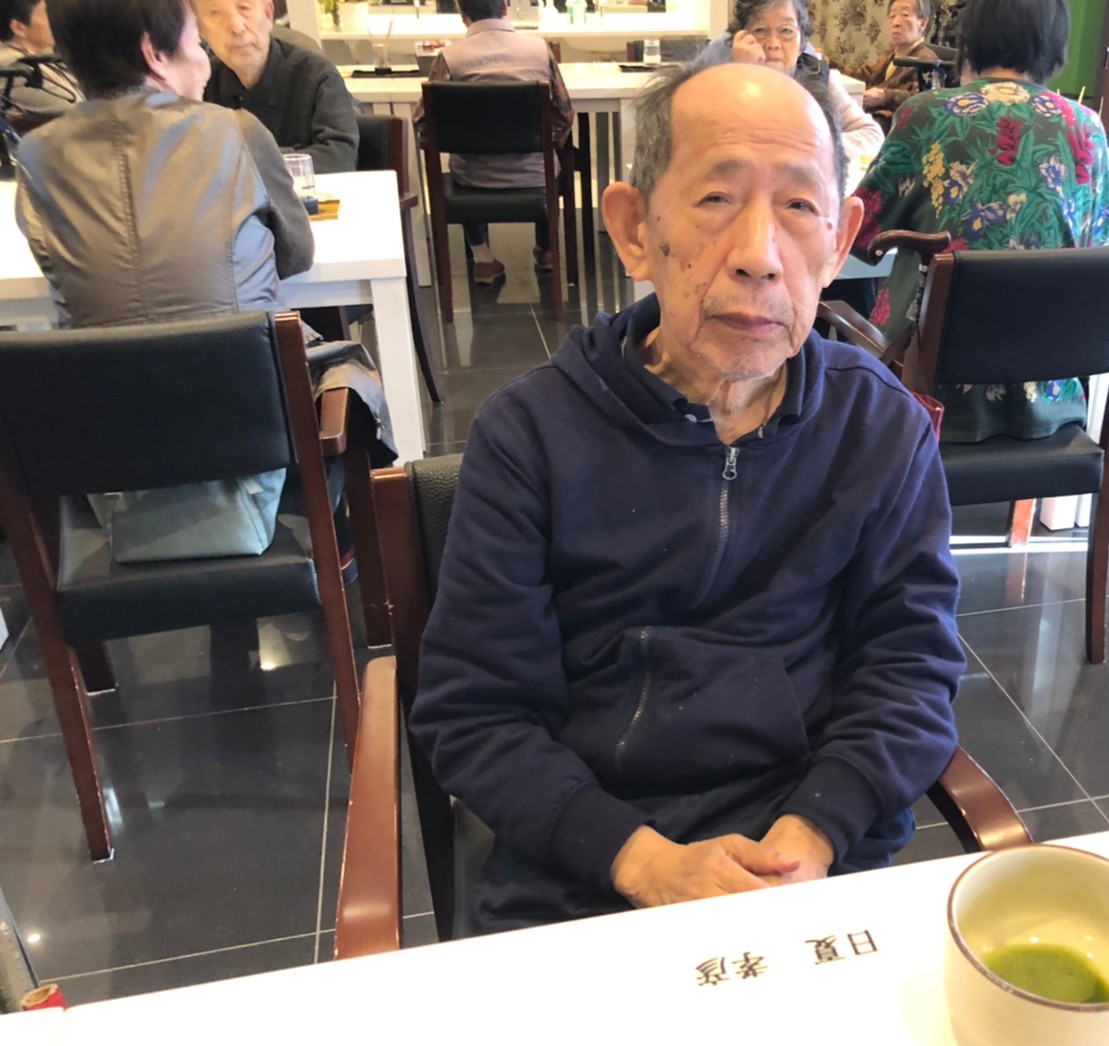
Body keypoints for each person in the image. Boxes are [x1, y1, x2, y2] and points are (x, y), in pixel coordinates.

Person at [411, 62, 964, 933]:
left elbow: (911, 668)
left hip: (810, 851)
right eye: (715, 199)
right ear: (635, 230)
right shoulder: (530, 436)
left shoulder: (878, 426)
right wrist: (644, 863)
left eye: (799, 206)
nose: (759, 256)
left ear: (840, 240)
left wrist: (813, 835)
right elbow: (476, 713)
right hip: (586, 863)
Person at [15, 0, 394, 561]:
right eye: (197, 42)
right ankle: (357, 539)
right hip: (253, 453)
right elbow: (296, 253)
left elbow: (59, 273)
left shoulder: (37, 155)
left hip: (111, 471)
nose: (204, 60)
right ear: (155, 54)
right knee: (340, 366)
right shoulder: (235, 130)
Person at [851, 0, 1109, 443]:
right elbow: (1093, 247)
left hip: (924, 388)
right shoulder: (1087, 126)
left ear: (969, 40)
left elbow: (861, 231)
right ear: (1055, 45)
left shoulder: (925, 113)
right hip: (1048, 390)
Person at [412, 0, 573, 284]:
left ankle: (483, 259)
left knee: (461, 165)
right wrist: (544, 141)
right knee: (549, 161)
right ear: (506, 8)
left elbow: (423, 120)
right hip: (535, 175)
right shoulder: (539, 50)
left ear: (462, 14)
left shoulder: (449, 57)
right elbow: (564, 113)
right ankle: (547, 250)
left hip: (472, 177)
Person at [698, 0, 884, 166]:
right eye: (760, 30)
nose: (773, 43)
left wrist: (813, 150)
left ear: (802, 43)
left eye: (786, 31)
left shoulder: (819, 78)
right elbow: (707, 147)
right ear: (740, 39)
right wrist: (743, 77)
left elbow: (872, 134)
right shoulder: (722, 82)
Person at [197, 0, 357, 174]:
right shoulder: (201, 83)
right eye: (215, 14)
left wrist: (247, 165)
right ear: (200, 29)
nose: (236, 27)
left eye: (244, 8)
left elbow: (340, 157)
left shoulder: (316, 75)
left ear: (268, 14)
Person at [839, 0, 939, 131]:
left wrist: (885, 97)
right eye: (892, 16)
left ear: (922, 24)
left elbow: (928, 101)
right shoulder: (893, 55)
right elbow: (867, 76)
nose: (896, 22)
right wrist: (830, 64)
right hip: (871, 120)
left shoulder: (926, 60)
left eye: (905, 15)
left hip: (895, 129)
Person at [0, 0, 80, 120]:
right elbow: (79, 111)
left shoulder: (35, 58)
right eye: (47, 14)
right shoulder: (13, 70)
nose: (55, 21)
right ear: (19, 28)